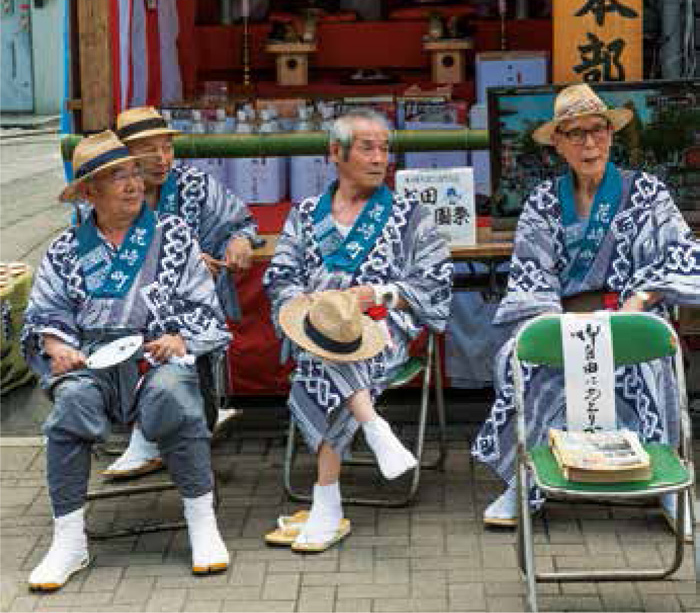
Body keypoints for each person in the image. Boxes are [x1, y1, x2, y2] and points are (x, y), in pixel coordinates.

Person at [472, 83, 700, 534]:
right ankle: (526, 480)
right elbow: (531, 275)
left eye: (597, 130)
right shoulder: (541, 201)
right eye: (575, 134)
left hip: (630, 316)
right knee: (524, 362)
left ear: (611, 135)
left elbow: (682, 253)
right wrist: (554, 323)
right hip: (559, 320)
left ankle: (667, 485)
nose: (589, 143)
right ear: (558, 144)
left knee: (651, 364)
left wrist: (640, 300)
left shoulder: (647, 192)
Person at [22, 131, 231, 591]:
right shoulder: (64, 249)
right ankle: (69, 541)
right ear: (89, 192)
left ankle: (202, 523)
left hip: (156, 358)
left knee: (176, 396)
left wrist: (178, 338)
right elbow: (45, 315)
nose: (133, 184)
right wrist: (57, 346)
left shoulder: (173, 236)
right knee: (69, 409)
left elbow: (204, 307)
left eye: (135, 173)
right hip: (91, 365)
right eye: (118, 176)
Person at [263, 109, 453, 551]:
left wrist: (380, 294)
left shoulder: (410, 214)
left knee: (328, 356)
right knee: (325, 343)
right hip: (318, 326)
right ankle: (373, 428)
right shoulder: (306, 213)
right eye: (367, 147)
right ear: (336, 153)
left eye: (385, 148)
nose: (379, 158)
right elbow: (280, 276)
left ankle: (326, 502)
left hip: (384, 328)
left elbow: (436, 280)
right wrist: (309, 306)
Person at [101, 105, 260, 478]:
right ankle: (148, 427)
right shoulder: (108, 195)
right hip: (128, 306)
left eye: (167, 148)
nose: (162, 159)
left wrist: (238, 239)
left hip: (189, 307)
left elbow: (240, 220)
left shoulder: (193, 184)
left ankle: (149, 435)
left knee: (183, 325)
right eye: (149, 150)